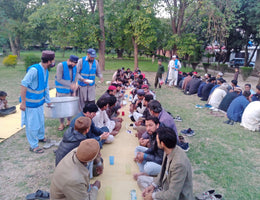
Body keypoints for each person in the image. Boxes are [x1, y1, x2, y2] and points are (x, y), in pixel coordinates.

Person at [139, 127, 193, 200]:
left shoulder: (179, 164)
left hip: (175, 196)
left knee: (150, 196)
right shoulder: (169, 149)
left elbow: (173, 196)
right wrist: (153, 186)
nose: (156, 141)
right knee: (141, 179)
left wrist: (153, 196)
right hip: (165, 185)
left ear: (162, 143)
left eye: (157, 140)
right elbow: (162, 172)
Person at [20, 50, 55, 154]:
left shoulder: (46, 71)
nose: (53, 62)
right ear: (49, 61)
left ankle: (41, 137)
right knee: (32, 125)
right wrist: (23, 102)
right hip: (30, 104)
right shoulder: (34, 70)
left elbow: (46, 87)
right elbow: (23, 84)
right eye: (53, 60)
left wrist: (48, 101)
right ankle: (33, 146)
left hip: (39, 103)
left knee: (40, 122)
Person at [55, 55, 79, 131]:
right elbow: (59, 79)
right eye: (72, 63)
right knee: (61, 109)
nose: (73, 65)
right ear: (69, 60)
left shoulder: (75, 67)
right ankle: (61, 123)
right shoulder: (60, 66)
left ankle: (69, 121)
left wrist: (74, 91)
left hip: (70, 91)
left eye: (75, 64)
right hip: (61, 91)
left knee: (69, 108)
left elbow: (75, 80)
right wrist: (70, 85)